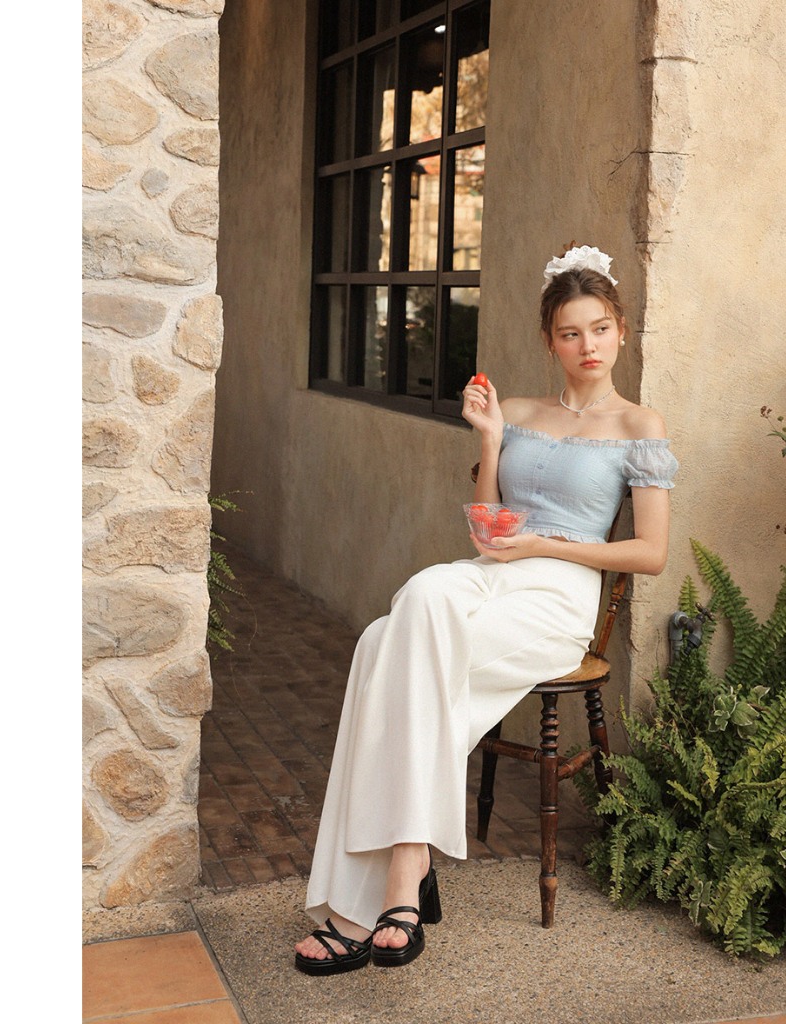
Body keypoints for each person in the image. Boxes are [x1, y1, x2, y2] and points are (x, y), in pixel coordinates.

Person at [294, 244, 678, 974]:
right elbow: (488, 521)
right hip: (491, 573)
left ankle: (371, 897)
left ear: (622, 330)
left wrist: (543, 545)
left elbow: (650, 552)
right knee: (416, 600)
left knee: (381, 646)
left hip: (559, 593)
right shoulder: (521, 412)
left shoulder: (640, 424)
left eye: (600, 329)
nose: (588, 346)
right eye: (571, 333)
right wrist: (492, 440)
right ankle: (408, 869)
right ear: (550, 340)